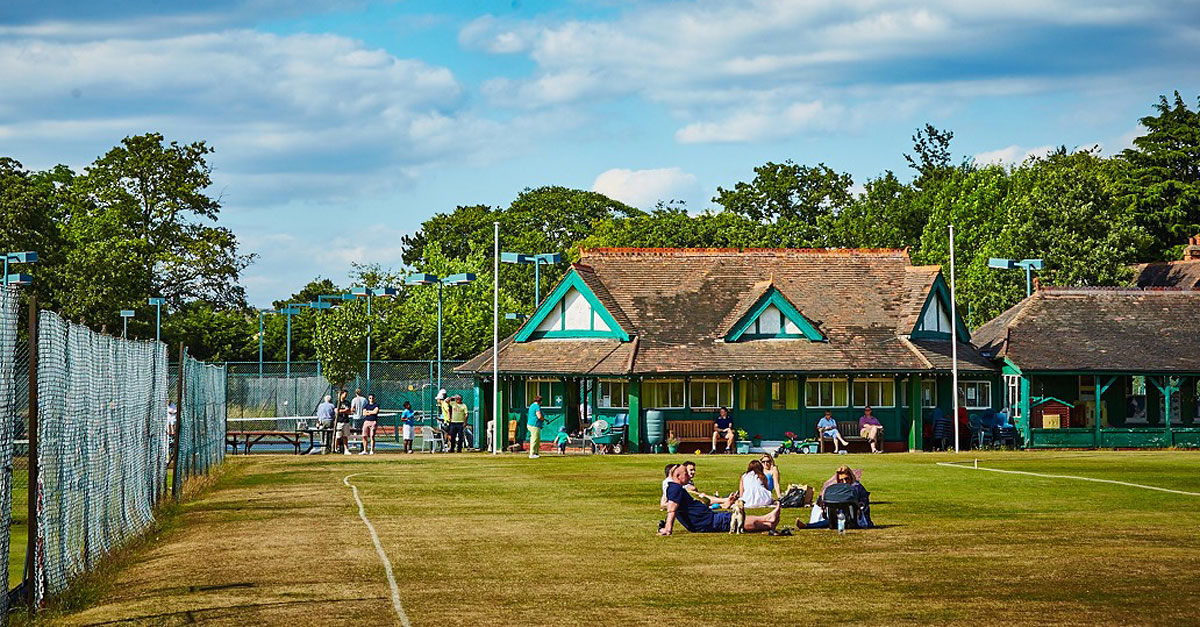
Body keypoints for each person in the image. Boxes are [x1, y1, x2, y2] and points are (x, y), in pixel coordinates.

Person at [660, 464, 781, 535]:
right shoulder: (674, 488)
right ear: (677, 476)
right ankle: (768, 523)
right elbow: (671, 509)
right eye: (685, 473)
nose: (688, 475)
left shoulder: (676, 488)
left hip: (706, 519)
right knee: (733, 520)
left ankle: (766, 519)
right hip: (706, 521)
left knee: (730, 517)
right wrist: (668, 528)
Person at [335, 389, 353, 455]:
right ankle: (335, 449)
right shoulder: (337, 402)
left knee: (345, 436)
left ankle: (346, 450)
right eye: (345, 394)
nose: (346, 396)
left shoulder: (347, 402)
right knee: (338, 436)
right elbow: (336, 411)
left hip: (346, 421)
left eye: (346, 394)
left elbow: (349, 411)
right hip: (339, 421)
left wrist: (343, 411)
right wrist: (344, 410)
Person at [527, 394, 545, 459]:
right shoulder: (537, 406)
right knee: (534, 439)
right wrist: (543, 419)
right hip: (534, 425)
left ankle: (536, 452)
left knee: (537, 439)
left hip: (530, 424)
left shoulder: (532, 405)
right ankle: (532, 454)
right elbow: (539, 416)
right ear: (540, 401)